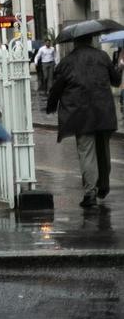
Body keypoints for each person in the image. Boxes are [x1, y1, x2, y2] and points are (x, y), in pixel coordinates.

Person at [48, 35, 122, 208]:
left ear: (75, 42)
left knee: (86, 153)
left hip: (80, 114)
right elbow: (116, 81)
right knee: (103, 151)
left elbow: (56, 88)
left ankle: (90, 193)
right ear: (91, 40)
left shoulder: (67, 62)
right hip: (104, 112)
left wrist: (51, 106)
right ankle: (103, 185)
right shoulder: (102, 57)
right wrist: (119, 65)